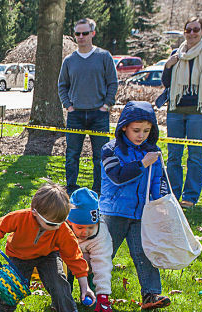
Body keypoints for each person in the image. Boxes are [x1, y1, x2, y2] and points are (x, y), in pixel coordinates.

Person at [0, 182, 93, 312]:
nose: (56, 227)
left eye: (60, 223)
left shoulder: (60, 229)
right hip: (19, 255)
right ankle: (4, 311)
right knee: (11, 284)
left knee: (58, 281)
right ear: (34, 212)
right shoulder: (21, 217)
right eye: (51, 223)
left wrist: (85, 286)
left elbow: (74, 257)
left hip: (47, 255)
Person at [99, 101, 171, 310]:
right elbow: (117, 177)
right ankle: (90, 291)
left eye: (147, 131)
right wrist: (141, 165)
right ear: (124, 127)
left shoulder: (153, 151)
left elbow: (159, 179)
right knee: (103, 253)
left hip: (142, 213)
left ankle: (151, 294)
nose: (141, 135)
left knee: (144, 253)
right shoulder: (109, 150)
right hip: (114, 212)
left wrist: (161, 201)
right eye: (136, 130)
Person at [58, 17, 118, 196]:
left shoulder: (104, 56)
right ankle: (70, 189)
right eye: (78, 33)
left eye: (85, 33)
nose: (81, 37)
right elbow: (62, 85)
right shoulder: (69, 60)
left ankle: (99, 190)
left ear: (93, 33)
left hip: (99, 115)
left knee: (100, 156)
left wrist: (106, 105)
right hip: (75, 115)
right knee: (72, 155)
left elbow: (112, 83)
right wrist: (68, 106)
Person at [161, 16, 202, 209]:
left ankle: (190, 197)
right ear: (184, 32)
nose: (192, 33)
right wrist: (168, 65)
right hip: (175, 110)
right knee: (174, 155)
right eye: (189, 30)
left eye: (196, 29)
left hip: (198, 112)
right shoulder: (177, 53)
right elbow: (166, 82)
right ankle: (174, 194)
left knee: (195, 156)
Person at [66, 187, 113, 312]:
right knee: (62, 268)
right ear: (70, 222)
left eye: (90, 227)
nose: (85, 232)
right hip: (67, 259)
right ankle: (64, 296)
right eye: (80, 227)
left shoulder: (101, 234)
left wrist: (103, 293)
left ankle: (92, 294)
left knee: (92, 262)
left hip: (89, 261)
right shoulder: (62, 227)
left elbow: (102, 263)